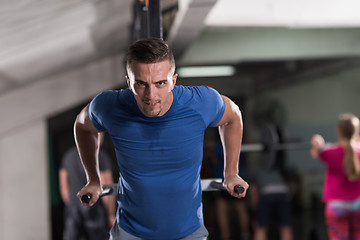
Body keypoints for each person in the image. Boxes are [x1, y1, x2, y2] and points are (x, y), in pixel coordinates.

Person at [74, 37, 249, 240]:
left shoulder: (200, 103)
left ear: (173, 80)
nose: (151, 95)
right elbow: (82, 125)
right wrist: (93, 179)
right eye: (141, 84)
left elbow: (233, 116)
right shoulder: (109, 106)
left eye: (160, 83)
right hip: (131, 232)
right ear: (129, 82)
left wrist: (231, 173)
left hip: (188, 233)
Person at [310, 113, 360, 240]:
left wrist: (317, 141)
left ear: (338, 131)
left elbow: (315, 152)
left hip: (337, 206)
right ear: (356, 131)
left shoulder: (329, 152)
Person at [59, 133, 116, 240]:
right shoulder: (101, 156)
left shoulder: (67, 156)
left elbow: (63, 186)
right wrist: (110, 214)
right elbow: (106, 187)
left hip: (73, 208)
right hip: (94, 208)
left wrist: (72, 204)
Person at [249, 124, 293, 240]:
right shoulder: (278, 171)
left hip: (267, 195)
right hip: (283, 194)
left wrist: (255, 212)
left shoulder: (256, 173)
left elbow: (254, 194)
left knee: (260, 227)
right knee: (285, 227)